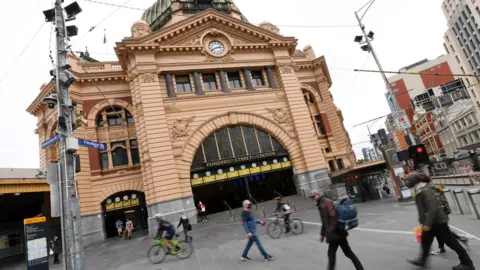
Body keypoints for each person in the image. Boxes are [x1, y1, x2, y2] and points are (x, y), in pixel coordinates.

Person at [405, 173, 475, 270]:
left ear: (413, 182)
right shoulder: (421, 190)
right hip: (431, 221)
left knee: (452, 242)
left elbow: (432, 209)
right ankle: (422, 260)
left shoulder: (425, 191)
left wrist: (428, 224)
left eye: (407, 182)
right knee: (425, 241)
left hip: (437, 222)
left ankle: (467, 263)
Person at [309, 190, 364, 270]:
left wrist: (330, 231)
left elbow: (331, 218)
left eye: (314, 196)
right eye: (312, 197)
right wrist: (322, 234)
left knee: (331, 255)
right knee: (348, 253)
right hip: (340, 231)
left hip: (335, 233)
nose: (313, 198)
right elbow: (325, 221)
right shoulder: (325, 202)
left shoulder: (324, 203)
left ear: (318, 194)